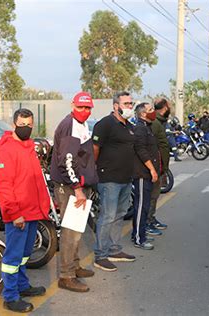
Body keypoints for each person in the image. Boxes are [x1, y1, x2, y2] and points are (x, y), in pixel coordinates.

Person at [0, 108, 50, 313]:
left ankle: (22, 286)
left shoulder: (28, 146)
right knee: (12, 259)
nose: (26, 128)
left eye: (29, 125)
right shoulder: (7, 150)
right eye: (22, 125)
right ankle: (11, 296)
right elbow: (4, 187)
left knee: (24, 255)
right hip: (19, 214)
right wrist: (14, 214)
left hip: (32, 211)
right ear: (14, 124)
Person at [50, 92, 98, 292]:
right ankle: (66, 275)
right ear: (73, 105)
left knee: (77, 229)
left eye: (88, 108)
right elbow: (67, 162)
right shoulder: (69, 125)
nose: (84, 111)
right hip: (70, 186)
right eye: (81, 107)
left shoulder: (80, 124)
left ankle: (75, 265)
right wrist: (78, 189)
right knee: (71, 232)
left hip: (77, 184)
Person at [92, 91, 136, 272]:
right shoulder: (105, 124)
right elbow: (95, 148)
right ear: (115, 106)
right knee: (107, 217)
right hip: (109, 179)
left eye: (131, 104)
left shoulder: (128, 125)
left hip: (126, 178)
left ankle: (114, 250)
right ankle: (100, 256)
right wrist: (97, 169)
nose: (129, 107)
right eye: (126, 104)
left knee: (120, 214)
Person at [131, 102, 160, 250]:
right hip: (142, 174)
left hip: (147, 174)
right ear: (143, 114)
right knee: (141, 206)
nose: (153, 112)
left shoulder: (146, 127)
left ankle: (139, 234)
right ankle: (138, 238)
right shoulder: (140, 129)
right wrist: (152, 170)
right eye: (150, 110)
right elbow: (141, 150)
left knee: (144, 205)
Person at [147, 98, 171, 235]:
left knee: (155, 195)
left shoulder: (160, 121)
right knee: (152, 195)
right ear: (166, 107)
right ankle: (147, 222)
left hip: (159, 164)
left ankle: (151, 218)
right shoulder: (155, 123)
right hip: (154, 165)